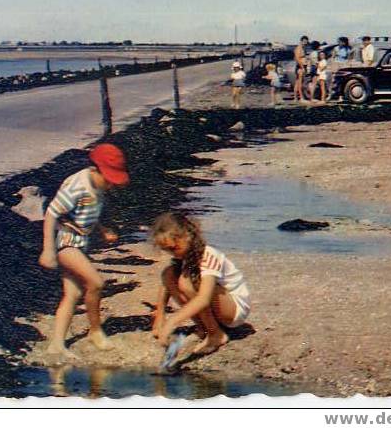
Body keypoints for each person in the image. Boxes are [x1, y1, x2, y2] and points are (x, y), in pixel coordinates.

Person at [38, 143, 130, 359]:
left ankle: (56, 344)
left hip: (82, 240)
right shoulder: (76, 186)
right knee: (96, 283)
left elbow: (88, 213)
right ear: (96, 169)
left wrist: (102, 229)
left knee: (73, 294)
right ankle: (95, 331)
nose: (110, 185)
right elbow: (51, 214)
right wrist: (48, 250)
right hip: (66, 241)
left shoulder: (98, 186)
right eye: (109, 179)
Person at [151, 212, 251, 356]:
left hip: (234, 309)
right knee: (168, 274)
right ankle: (204, 327)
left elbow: (204, 298)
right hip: (217, 306)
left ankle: (216, 334)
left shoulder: (208, 255)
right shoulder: (184, 256)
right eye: (166, 250)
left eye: (173, 248)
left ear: (188, 236)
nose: (171, 253)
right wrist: (160, 316)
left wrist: (173, 321)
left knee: (186, 283)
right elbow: (166, 285)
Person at [293, 36, 309, 102]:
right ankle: (301, 98)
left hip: (302, 66)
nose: (305, 43)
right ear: (301, 41)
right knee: (300, 83)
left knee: (297, 83)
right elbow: (297, 58)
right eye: (304, 41)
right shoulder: (298, 48)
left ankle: (296, 98)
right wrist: (302, 67)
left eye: (306, 41)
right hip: (300, 67)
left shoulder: (303, 48)